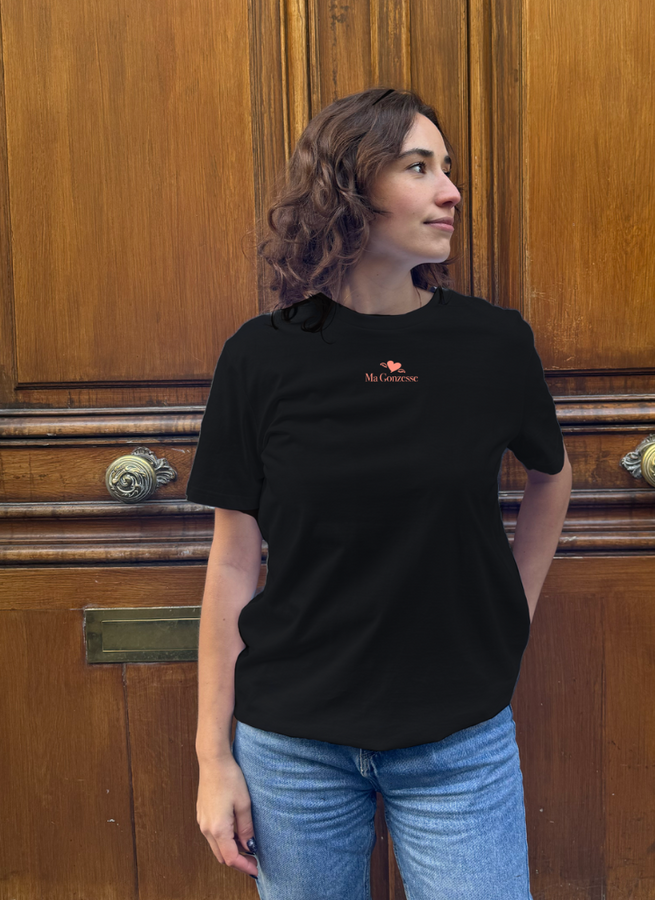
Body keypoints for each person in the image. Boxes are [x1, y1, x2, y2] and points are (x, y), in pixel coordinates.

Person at [186, 86, 573, 900]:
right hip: (293, 745)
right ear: (349, 189)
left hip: (458, 739)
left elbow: (551, 474)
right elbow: (232, 563)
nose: (451, 191)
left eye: (448, 168)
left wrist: (514, 607)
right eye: (418, 167)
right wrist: (213, 758)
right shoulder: (260, 358)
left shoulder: (493, 343)